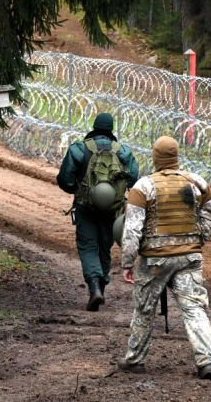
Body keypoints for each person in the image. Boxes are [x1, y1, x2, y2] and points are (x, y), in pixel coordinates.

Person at [117, 136, 211, 380]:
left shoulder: (143, 187)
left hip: (154, 260)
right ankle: (206, 361)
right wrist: (200, 237)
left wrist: (127, 262)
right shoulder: (196, 183)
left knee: (144, 310)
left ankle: (135, 360)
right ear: (176, 156)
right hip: (190, 258)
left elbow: (132, 231)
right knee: (195, 309)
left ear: (155, 157)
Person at [57, 113, 140, 312]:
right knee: (105, 247)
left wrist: (77, 189)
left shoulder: (79, 149)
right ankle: (101, 285)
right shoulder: (123, 152)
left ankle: (94, 286)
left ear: (94, 127)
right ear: (111, 129)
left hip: (86, 208)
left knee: (87, 247)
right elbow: (133, 179)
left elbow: (64, 179)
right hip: (112, 210)